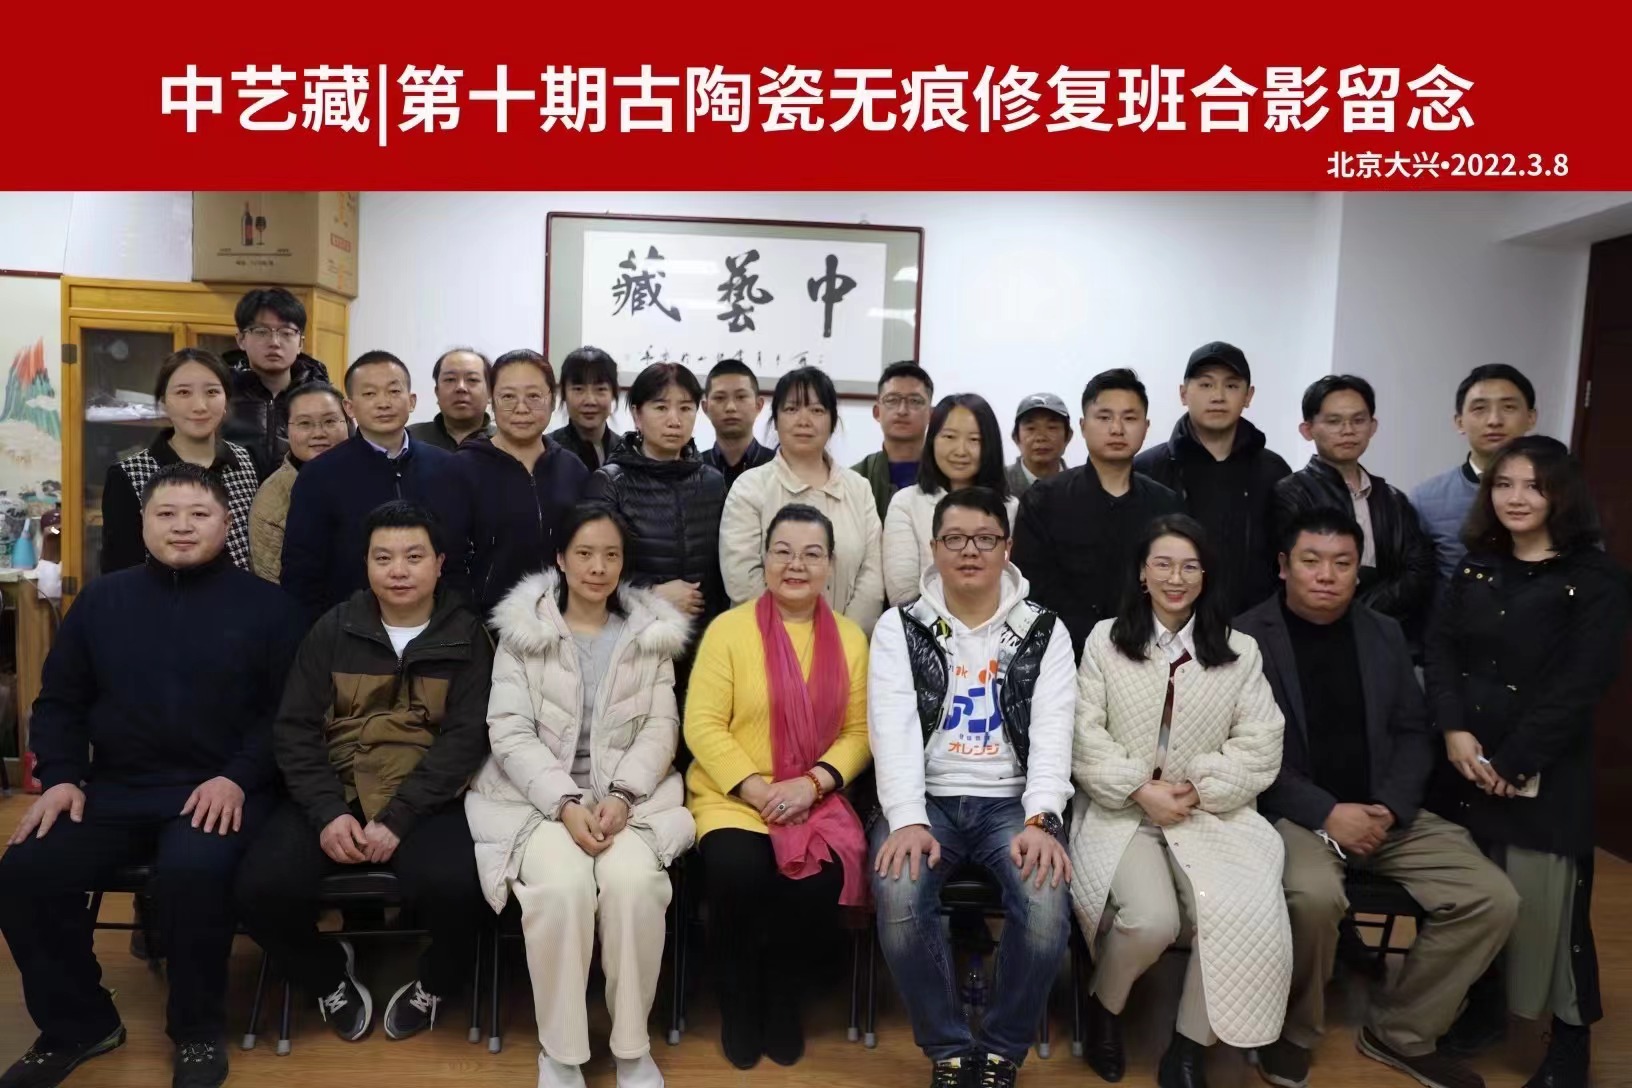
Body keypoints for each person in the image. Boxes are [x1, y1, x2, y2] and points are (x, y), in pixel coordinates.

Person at [0, 463, 302, 1088]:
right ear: (143, 524)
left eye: (199, 514)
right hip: (115, 788)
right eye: (166, 514)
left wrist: (237, 777)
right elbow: (60, 702)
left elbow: (286, 716)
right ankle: (79, 1024)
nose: (182, 526)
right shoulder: (102, 602)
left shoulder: (270, 607)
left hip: (221, 788)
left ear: (227, 522)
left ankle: (196, 1030)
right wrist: (61, 777)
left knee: (194, 871)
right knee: (25, 870)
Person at [1236, 508, 1518, 1088]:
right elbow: (1242, 752)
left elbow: (1414, 732)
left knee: (1493, 897)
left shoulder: (1383, 633)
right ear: (1283, 566)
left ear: (1357, 571)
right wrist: (1326, 813)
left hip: (1386, 814)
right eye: (1311, 561)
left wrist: (1389, 807)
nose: (1326, 575)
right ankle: (1292, 1030)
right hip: (1298, 815)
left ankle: (1402, 1030)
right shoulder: (1243, 640)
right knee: (1313, 897)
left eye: (1342, 563)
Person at [237, 501, 492, 1044]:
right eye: (383, 558)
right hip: (337, 790)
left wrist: (400, 816)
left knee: (463, 888)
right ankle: (327, 975)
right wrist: (328, 812)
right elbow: (295, 729)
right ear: (366, 564)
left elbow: (466, 740)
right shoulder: (333, 629)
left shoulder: (467, 637)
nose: (398, 570)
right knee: (260, 888)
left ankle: (435, 982)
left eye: (413, 557)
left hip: (425, 799)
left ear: (439, 564)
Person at [466, 505, 695, 1088]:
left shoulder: (649, 636)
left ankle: (632, 1048)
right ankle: (561, 1052)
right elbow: (509, 732)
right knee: (563, 889)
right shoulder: (524, 634)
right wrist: (565, 803)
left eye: (611, 555)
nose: (598, 567)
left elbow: (661, 729)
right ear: (561, 560)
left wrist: (622, 794)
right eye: (585, 554)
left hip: (629, 798)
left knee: (634, 885)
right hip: (534, 798)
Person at [1425, 436, 1629, 1088]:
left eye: (1534, 486)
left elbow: (1581, 683)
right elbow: (1441, 651)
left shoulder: (1595, 579)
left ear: (1562, 494)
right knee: (1485, 896)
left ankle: (1569, 1042)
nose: (1516, 498)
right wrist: (1454, 730)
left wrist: (1513, 763)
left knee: (1552, 912)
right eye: (1504, 484)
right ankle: (1486, 1008)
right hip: (1465, 762)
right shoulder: (1477, 566)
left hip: (1543, 768)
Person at [1070, 514, 1289, 1088]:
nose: (1176, 578)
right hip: (1123, 810)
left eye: (1190, 566)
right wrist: (1139, 788)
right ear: (1142, 573)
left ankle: (1189, 1046)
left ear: (1206, 575)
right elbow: (1083, 735)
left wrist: (1199, 789)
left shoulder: (1240, 651)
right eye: (1163, 564)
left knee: (1236, 911)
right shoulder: (1105, 640)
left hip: (1207, 814)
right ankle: (1104, 1007)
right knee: (1152, 921)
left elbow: (1262, 742)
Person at [868, 487, 1076, 1088]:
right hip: (926, 798)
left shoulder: (1043, 630)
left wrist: (1042, 818)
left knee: (1045, 903)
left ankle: (1003, 1049)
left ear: (1006, 547)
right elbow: (892, 726)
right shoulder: (901, 626)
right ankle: (950, 1049)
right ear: (934, 548)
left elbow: (1053, 730)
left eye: (985, 538)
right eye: (954, 538)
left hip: (1012, 800)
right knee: (899, 893)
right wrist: (907, 817)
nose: (969, 551)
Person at [685, 504, 872, 1070]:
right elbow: (702, 724)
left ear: (830, 565)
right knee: (737, 870)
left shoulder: (850, 639)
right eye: (783, 552)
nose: (796, 565)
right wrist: (756, 788)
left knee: (817, 882)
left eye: (812, 554)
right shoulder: (728, 630)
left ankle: (784, 997)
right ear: (764, 559)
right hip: (733, 796)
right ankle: (739, 999)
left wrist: (811, 784)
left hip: (812, 795)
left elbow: (860, 732)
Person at [1012, 369, 1183, 658]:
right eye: (1104, 417)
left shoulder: (1166, 505)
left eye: (1129, 418)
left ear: (1146, 426)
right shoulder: (1044, 500)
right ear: (1082, 426)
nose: (1117, 429)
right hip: (1063, 658)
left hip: (1149, 655)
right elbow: (1031, 593)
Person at [584, 362, 727, 701]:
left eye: (685, 408)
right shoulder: (610, 482)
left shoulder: (713, 482)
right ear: (637, 414)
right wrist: (652, 594)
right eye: (661, 408)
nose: (674, 420)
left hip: (703, 646)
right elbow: (590, 567)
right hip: (632, 644)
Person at [281, 350, 455, 619]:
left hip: (436, 622)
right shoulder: (319, 474)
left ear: (411, 401)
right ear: (349, 407)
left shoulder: (446, 466)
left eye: (393, 391)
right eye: (370, 394)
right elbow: (302, 569)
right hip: (350, 626)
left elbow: (457, 552)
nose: (383, 403)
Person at [720, 366, 885, 634]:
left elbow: (872, 578)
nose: (804, 420)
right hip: (764, 642)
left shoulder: (859, 489)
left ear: (832, 422)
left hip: (844, 645)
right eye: (792, 409)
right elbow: (742, 579)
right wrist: (793, 639)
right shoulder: (749, 487)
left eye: (817, 410)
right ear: (775, 420)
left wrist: (842, 638)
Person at [1272, 375, 1436, 641]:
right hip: (1310, 632)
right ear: (1307, 430)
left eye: (1358, 420)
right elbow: (1287, 571)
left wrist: (1363, 615)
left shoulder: (1393, 499)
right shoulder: (1290, 493)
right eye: (1334, 421)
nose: (1348, 430)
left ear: (1373, 426)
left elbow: (1418, 571)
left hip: (1384, 633)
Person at [1134, 341, 1292, 615]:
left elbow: (1287, 555)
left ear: (1248, 396)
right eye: (1206, 384)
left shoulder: (1274, 471)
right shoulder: (1148, 469)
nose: (1218, 396)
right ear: (1183, 393)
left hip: (1254, 625)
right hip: (1169, 622)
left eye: (1231, 385)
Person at [437, 350, 588, 621]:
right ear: (491, 401)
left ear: (553, 401)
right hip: (485, 625)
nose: (521, 408)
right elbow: (449, 561)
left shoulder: (572, 469)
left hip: (563, 622)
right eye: (508, 397)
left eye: (534, 396)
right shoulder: (461, 469)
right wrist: (467, 622)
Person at [100, 348, 260, 575]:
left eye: (212, 392)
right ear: (164, 402)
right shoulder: (128, 474)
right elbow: (120, 572)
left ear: (226, 400)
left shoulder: (245, 462)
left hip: (239, 595)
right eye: (183, 392)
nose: (200, 406)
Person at [882, 393, 1015, 605]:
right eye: (950, 437)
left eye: (974, 440)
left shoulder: (1010, 508)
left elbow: (1011, 584)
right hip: (921, 622)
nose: (960, 451)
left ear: (990, 446)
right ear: (932, 440)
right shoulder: (906, 503)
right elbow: (902, 593)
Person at [1411, 364, 1538, 582]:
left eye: (1508, 407)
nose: (1494, 420)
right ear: (1459, 422)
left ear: (1531, 418)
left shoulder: (1559, 491)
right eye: (1480, 409)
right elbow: (1415, 582)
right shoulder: (1426, 499)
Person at [221, 286, 333, 480]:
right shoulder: (220, 394)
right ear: (241, 340)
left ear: (300, 343)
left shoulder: (324, 400)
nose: (274, 342)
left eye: (286, 332)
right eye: (261, 331)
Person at [249, 382, 350, 582]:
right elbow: (272, 585)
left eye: (330, 421)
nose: (318, 433)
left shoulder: (374, 472)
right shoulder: (272, 498)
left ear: (349, 421)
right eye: (304, 423)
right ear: (287, 429)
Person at [853, 361, 935, 522]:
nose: (902, 411)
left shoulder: (948, 473)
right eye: (892, 400)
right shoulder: (856, 478)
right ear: (877, 412)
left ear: (931, 414)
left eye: (915, 401)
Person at [701, 358, 775, 490]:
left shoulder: (778, 467)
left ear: (758, 405)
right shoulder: (692, 470)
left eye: (741, 397)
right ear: (705, 408)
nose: (731, 407)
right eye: (720, 398)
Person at [549, 345, 625, 470]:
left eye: (600, 389)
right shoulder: (547, 452)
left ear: (613, 393)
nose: (590, 401)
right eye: (578, 389)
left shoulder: (627, 453)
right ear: (563, 394)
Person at [408, 347, 495, 450]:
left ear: (490, 393)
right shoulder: (409, 439)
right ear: (437, 392)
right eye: (450, 379)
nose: (461, 387)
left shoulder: (505, 441)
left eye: (472, 379)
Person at [1005, 392, 1072, 498]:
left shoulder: (1084, 487)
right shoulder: (996, 484)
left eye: (1051, 427)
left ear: (1068, 436)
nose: (1041, 437)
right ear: (1016, 437)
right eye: (1031, 428)